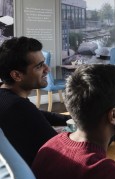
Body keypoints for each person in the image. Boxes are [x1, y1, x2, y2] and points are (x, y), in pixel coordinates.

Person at [0, 36, 70, 166]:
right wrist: (109, 133)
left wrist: (71, 119)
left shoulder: (6, 97)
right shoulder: (18, 106)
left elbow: (38, 114)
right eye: (39, 66)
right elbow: (64, 151)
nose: (47, 69)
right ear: (16, 75)